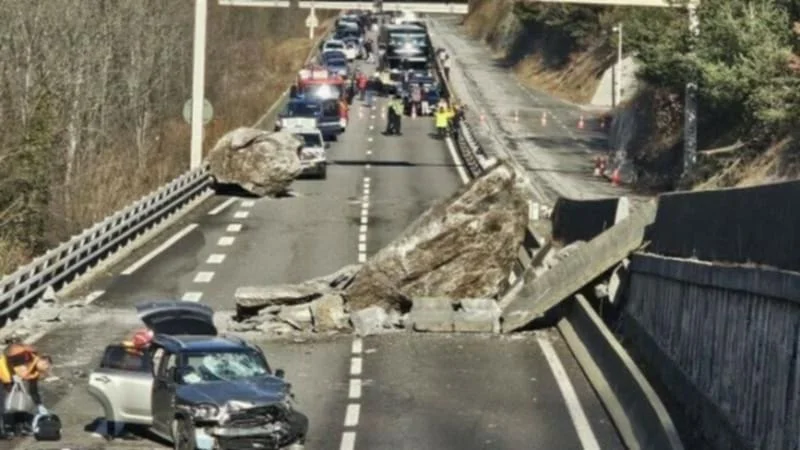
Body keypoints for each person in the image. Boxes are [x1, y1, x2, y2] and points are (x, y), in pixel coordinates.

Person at [0, 343, 53, 437]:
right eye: (46, 366)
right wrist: (13, 374)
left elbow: (33, 391)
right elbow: (8, 353)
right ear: (43, 360)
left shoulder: (35, 371)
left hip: (11, 380)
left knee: (20, 401)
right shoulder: (24, 353)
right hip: (3, 374)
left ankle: (20, 427)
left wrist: (39, 405)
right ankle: (2, 430)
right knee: (2, 404)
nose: (46, 369)